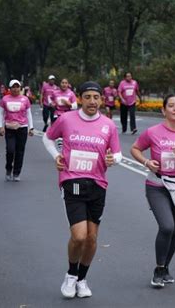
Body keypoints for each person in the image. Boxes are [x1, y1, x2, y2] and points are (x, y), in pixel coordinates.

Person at [42, 81, 122, 299]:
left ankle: (82, 279)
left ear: (101, 100)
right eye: (87, 97)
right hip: (72, 180)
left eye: (96, 97)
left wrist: (112, 158)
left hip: (97, 184)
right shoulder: (66, 119)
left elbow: (118, 154)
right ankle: (70, 274)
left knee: (92, 239)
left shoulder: (108, 125)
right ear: (79, 98)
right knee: (79, 236)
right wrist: (56, 156)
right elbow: (48, 138)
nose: (92, 101)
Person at [131, 94, 175, 288]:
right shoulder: (153, 132)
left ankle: (165, 268)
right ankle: (159, 268)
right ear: (164, 110)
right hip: (158, 186)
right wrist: (146, 162)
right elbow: (135, 149)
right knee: (167, 227)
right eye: (171, 106)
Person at [0, 80, 34, 182]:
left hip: (22, 128)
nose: (15, 89)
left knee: (20, 151)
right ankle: (8, 169)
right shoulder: (5, 99)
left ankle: (16, 172)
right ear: (9, 89)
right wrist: (0, 127)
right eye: (13, 87)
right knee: (10, 150)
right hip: (9, 128)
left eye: (17, 87)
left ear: (20, 88)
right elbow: (1, 113)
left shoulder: (25, 99)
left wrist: (31, 128)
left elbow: (29, 114)